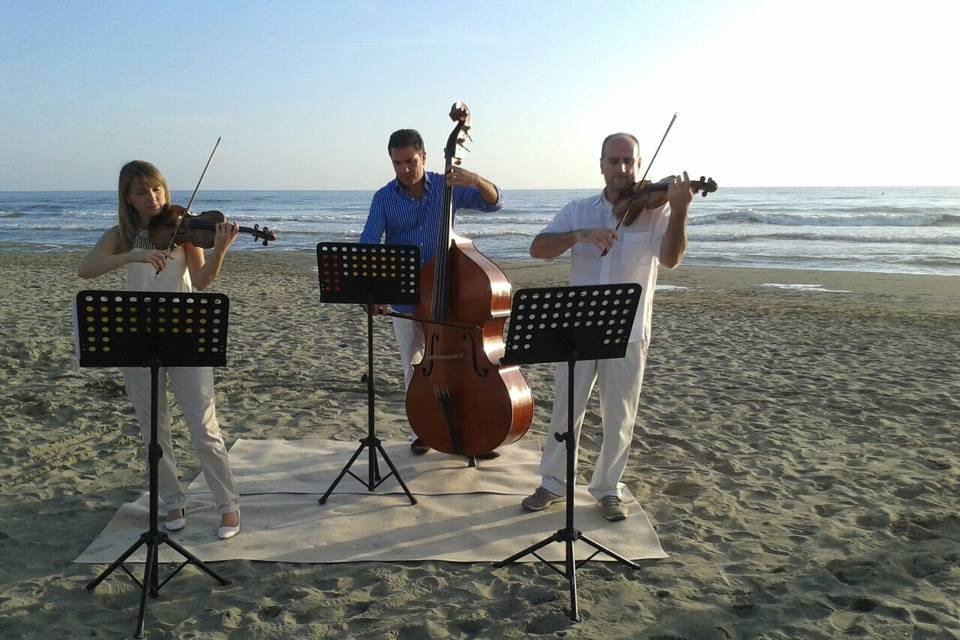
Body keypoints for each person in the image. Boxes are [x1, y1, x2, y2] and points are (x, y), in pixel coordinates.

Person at [521, 133, 693, 521]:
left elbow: (670, 259)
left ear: (638, 163)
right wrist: (579, 236)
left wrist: (679, 210)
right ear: (601, 164)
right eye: (613, 161)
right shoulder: (579, 210)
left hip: (628, 331)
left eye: (628, 161)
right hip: (576, 329)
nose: (621, 169)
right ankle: (552, 483)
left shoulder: (656, 211)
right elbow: (537, 248)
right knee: (567, 412)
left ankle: (606, 488)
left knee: (619, 415)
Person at [78, 160, 242, 540]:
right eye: (141, 192)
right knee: (154, 428)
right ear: (128, 198)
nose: (151, 198)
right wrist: (133, 256)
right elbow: (87, 269)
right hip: (137, 335)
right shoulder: (123, 235)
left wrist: (218, 250)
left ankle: (228, 505)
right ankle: (173, 501)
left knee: (203, 425)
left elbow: (201, 282)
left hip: (184, 332)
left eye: (156, 189)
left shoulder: (182, 230)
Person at [359, 128, 503, 455]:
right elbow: (368, 245)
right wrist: (373, 292)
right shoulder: (383, 198)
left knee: (463, 363)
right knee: (415, 365)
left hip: (449, 293)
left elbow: (495, 202)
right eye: (397, 163)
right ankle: (424, 429)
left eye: (410, 161)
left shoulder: (446, 186)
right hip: (407, 297)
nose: (405, 170)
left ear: (424, 156)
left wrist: (476, 180)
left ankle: (471, 429)